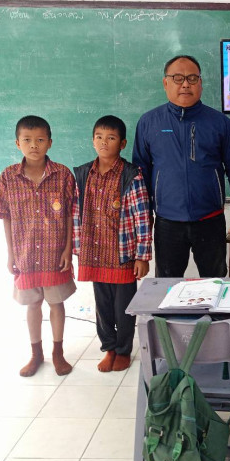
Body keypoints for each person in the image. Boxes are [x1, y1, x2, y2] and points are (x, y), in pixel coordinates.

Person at [132, 55, 230, 278]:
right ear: (165, 83)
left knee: (214, 282)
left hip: (210, 220)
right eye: (178, 78)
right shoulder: (149, 122)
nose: (185, 84)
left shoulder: (219, 123)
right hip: (167, 222)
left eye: (192, 78)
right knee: (168, 285)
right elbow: (141, 173)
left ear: (200, 83)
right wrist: (145, 216)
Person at [0, 115, 75, 377]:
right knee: (32, 304)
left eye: (39, 140)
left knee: (56, 303)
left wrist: (67, 249)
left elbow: (70, 215)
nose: (34, 145)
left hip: (54, 253)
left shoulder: (63, 175)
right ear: (18, 143)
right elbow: (6, 217)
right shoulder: (8, 177)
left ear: (50, 142)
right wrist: (11, 254)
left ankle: (58, 353)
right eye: (27, 140)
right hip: (25, 255)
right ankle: (36, 354)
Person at [74, 116, 151, 372]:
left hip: (123, 255)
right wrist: (78, 249)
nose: (104, 142)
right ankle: (108, 348)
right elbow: (76, 213)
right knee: (103, 307)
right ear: (92, 140)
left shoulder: (131, 175)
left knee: (124, 308)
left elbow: (142, 217)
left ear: (122, 143)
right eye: (99, 137)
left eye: (111, 138)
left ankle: (123, 350)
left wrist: (142, 256)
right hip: (95, 253)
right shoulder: (84, 174)